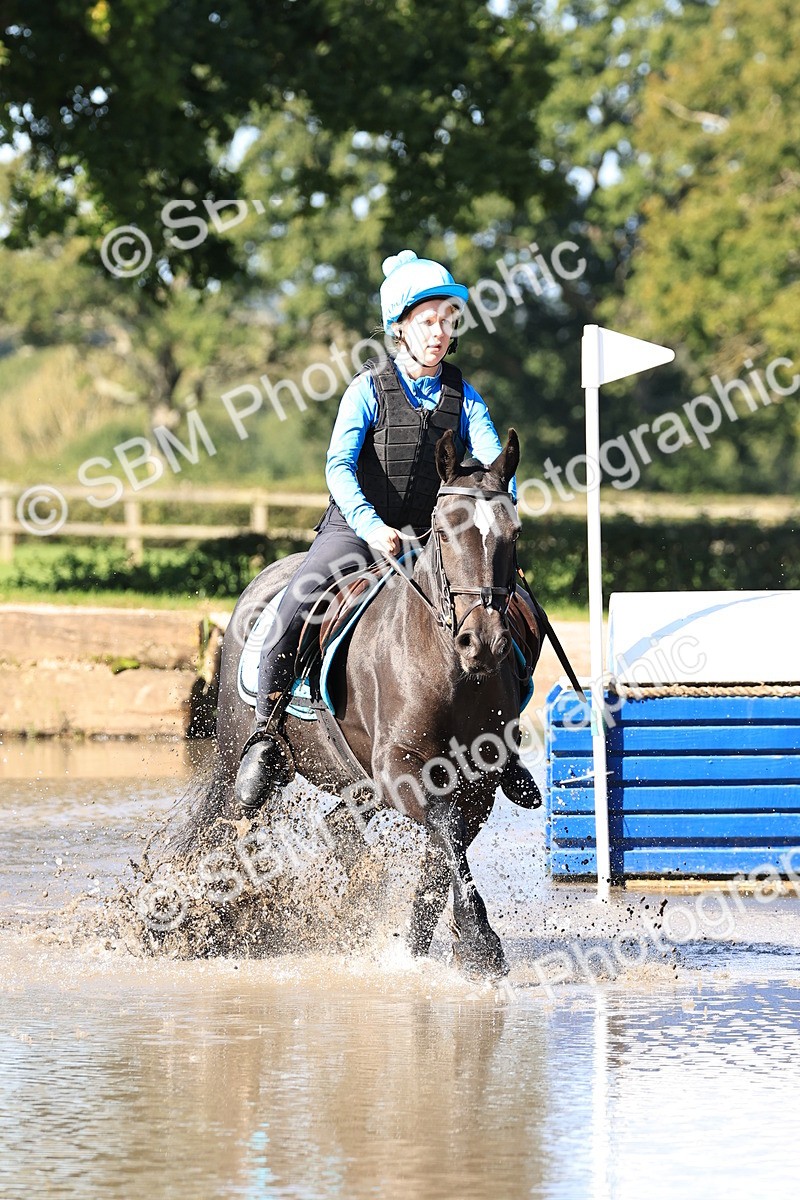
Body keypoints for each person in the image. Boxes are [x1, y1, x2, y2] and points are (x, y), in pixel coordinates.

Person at [235, 249, 540, 814]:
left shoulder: (464, 396)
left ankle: (504, 739)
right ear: (400, 327)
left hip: (433, 538)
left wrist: (503, 517)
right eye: (429, 321)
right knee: (298, 601)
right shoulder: (367, 390)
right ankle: (267, 730)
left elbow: (496, 464)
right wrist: (373, 528)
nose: (440, 332)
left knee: (514, 610)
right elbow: (339, 469)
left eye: (449, 320)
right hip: (357, 529)